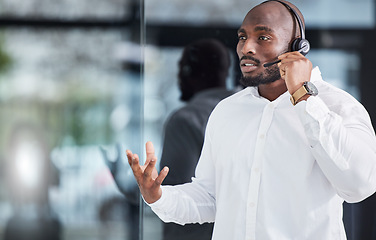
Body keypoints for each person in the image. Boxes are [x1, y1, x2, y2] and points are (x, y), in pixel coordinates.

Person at [126, 1, 376, 239]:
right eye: (242, 37)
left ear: (296, 48)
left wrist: (303, 95)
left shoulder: (338, 106)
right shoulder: (227, 111)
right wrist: (158, 196)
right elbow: (211, 197)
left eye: (263, 37)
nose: (246, 48)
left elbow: (360, 186)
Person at [159, 38, 236, 240]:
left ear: (188, 71)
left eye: (181, 67)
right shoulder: (249, 114)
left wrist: (139, 191)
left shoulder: (184, 120)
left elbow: (175, 196)